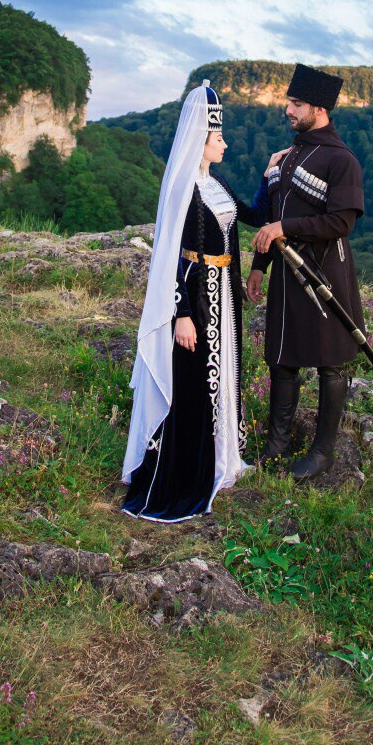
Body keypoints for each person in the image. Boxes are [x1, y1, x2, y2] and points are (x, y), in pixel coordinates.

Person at [122, 80, 268, 521]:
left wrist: (270, 175)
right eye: (217, 138)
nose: (224, 144)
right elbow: (170, 256)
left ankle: (223, 457)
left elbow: (253, 214)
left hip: (223, 295)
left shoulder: (216, 183)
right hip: (197, 297)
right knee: (194, 382)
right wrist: (181, 314)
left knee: (222, 374)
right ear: (200, 140)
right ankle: (189, 467)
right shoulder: (184, 188)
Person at [247, 63, 368, 481]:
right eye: (289, 102)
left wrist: (286, 227)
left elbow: (341, 222)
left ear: (318, 108)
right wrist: (259, 266)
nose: (288, 110)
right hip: (285, 274)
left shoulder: (341, 160)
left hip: (325, 274)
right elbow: (269, 215)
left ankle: (322, 452)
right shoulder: (288, 156)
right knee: (282, 359)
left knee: (330, 364)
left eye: (296, 104)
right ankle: (276, 445)